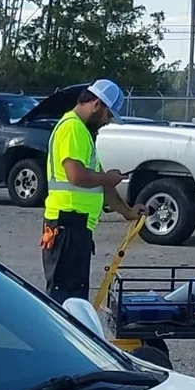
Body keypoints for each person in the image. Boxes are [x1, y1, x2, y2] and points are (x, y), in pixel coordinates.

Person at [41, 79, 138, 305]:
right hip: (67, 225)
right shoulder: (73, 128)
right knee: (65, 300)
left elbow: (100, 183)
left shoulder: (82, 132)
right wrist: (107, 178)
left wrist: (128, 212)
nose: (107, 121)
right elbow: (76, 175)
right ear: (96, 104)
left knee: (73, 298)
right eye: (108, 115)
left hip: (75, 226)